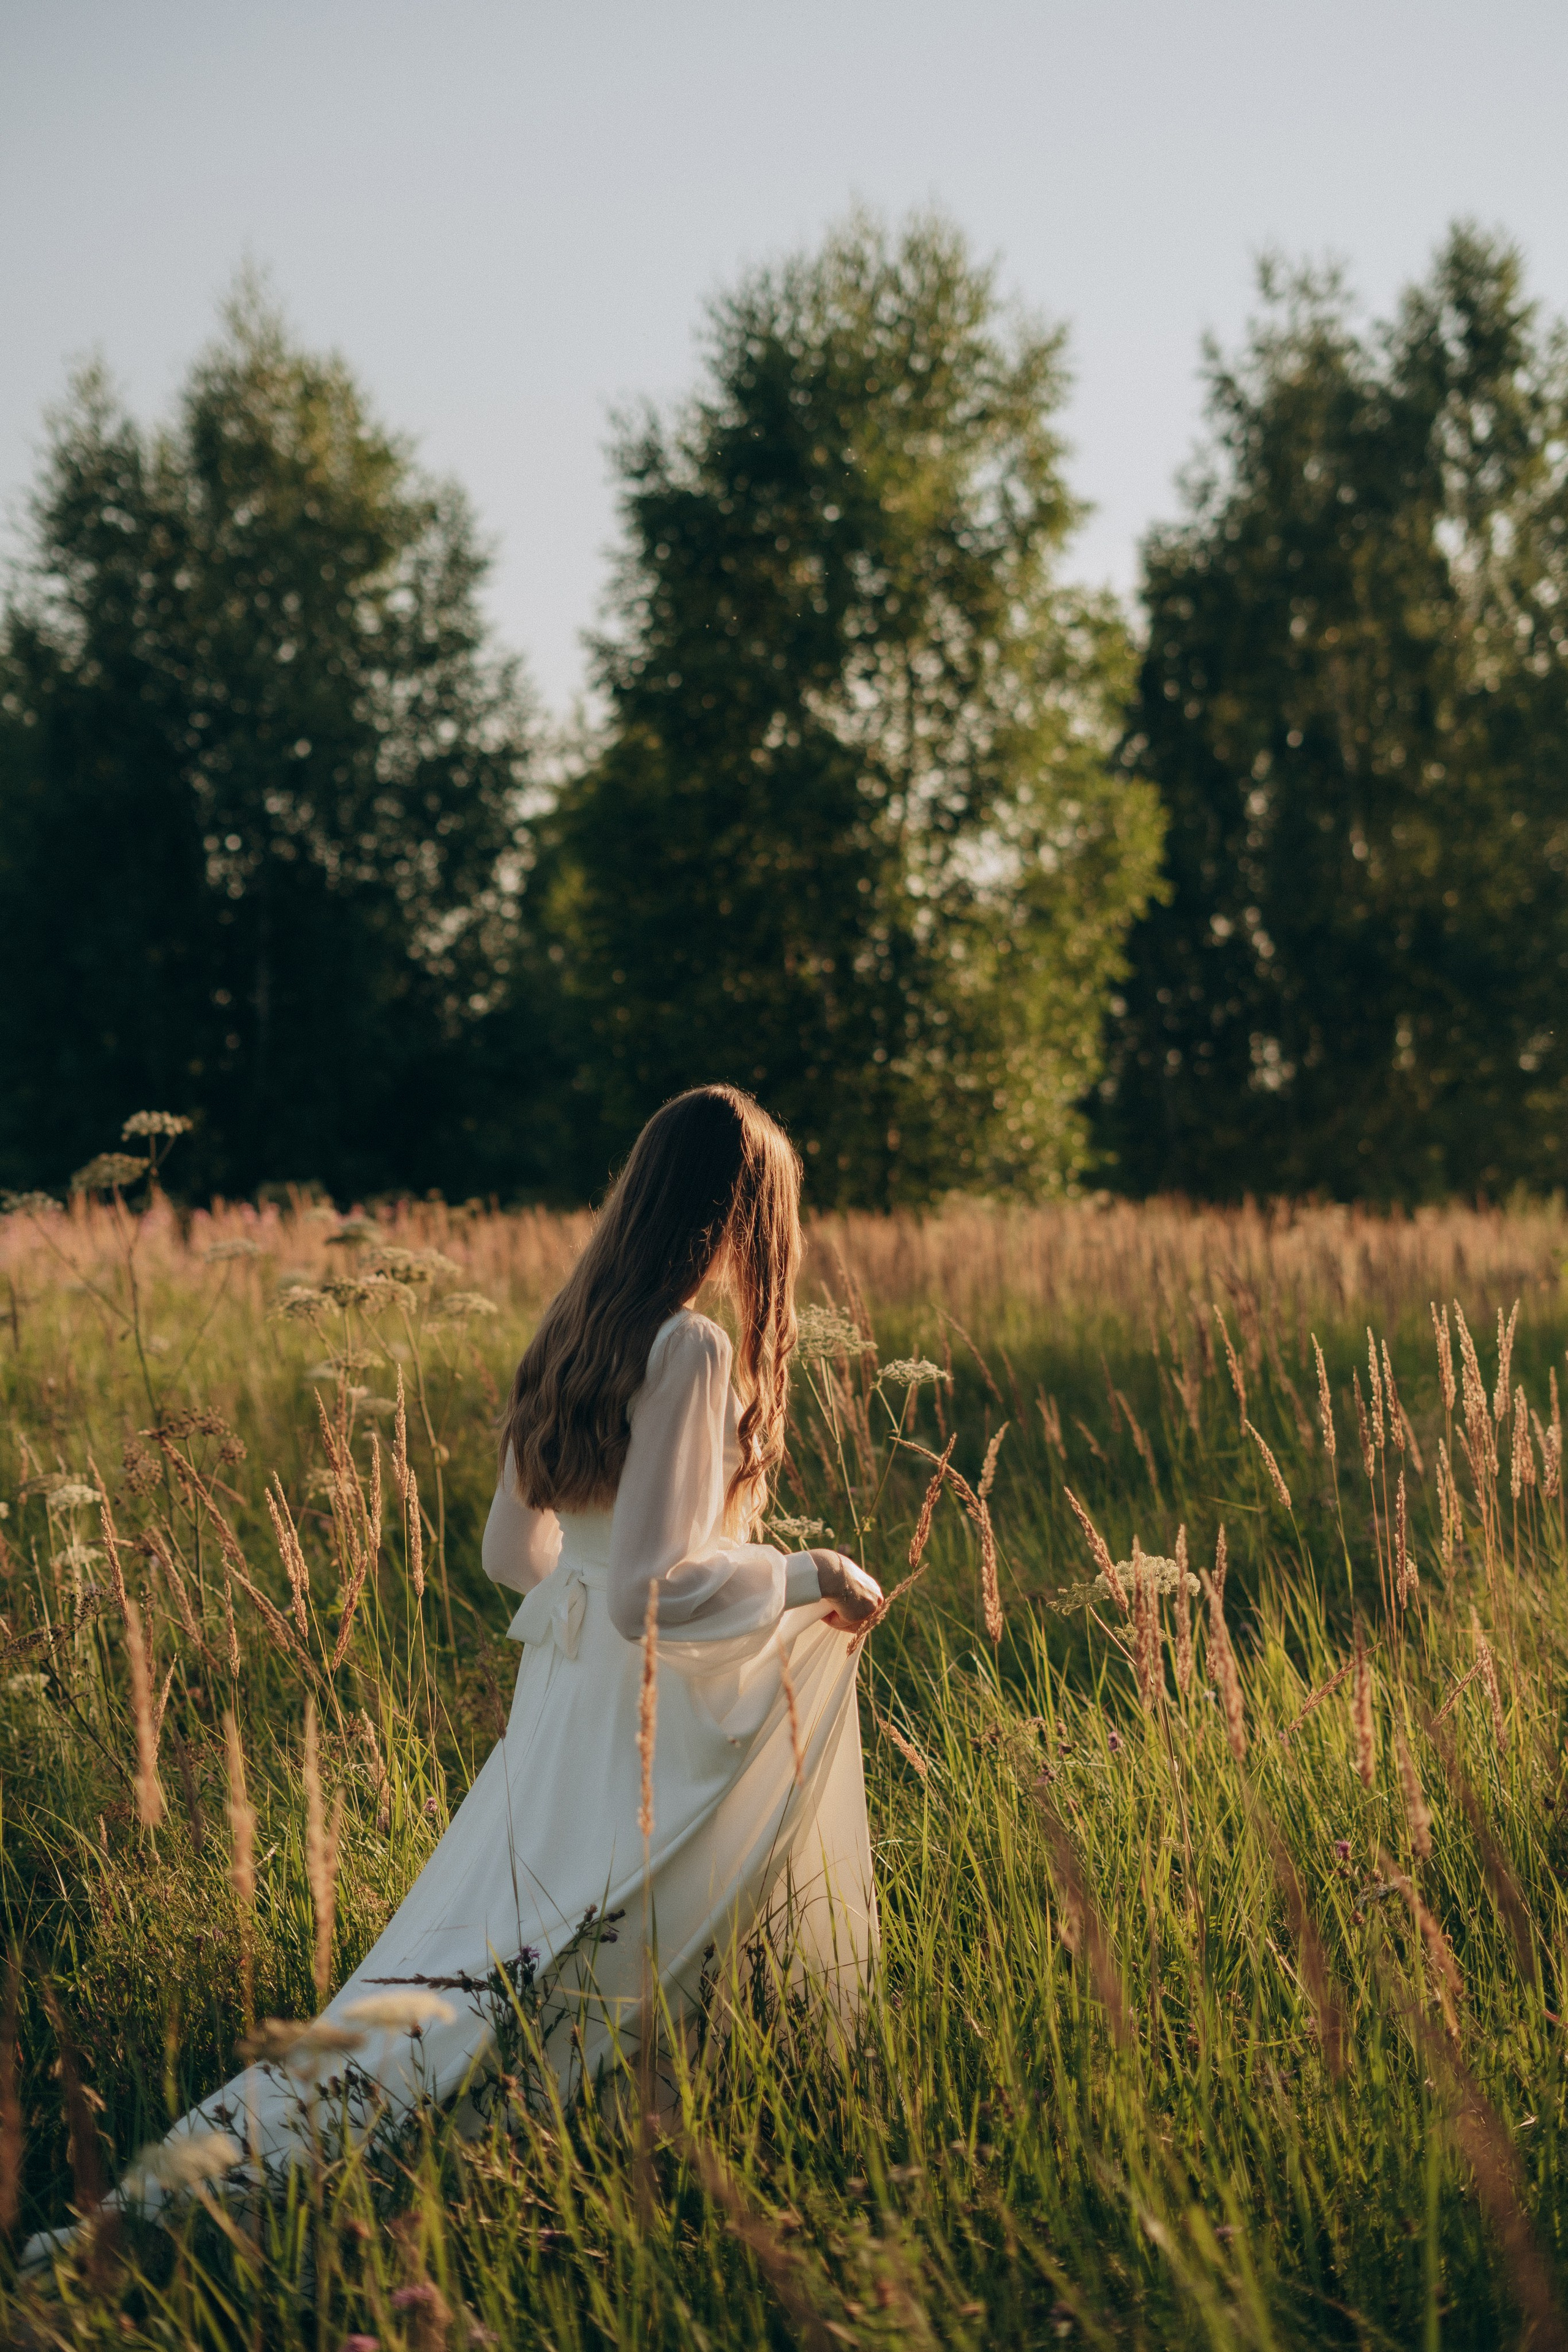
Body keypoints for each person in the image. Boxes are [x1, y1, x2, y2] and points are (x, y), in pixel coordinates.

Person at [26, 1085, 880, 2264]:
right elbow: (645, 1593)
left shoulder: (574, 1328)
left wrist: (604, 1592)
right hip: (637, 1701)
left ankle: (204, 2186)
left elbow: (514, 1556)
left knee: (497, 1941)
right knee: (604, 1925)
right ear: (738, 1213)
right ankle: (562, 2143)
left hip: (562, 1695)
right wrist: (800, 1574)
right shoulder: (690, 1344)